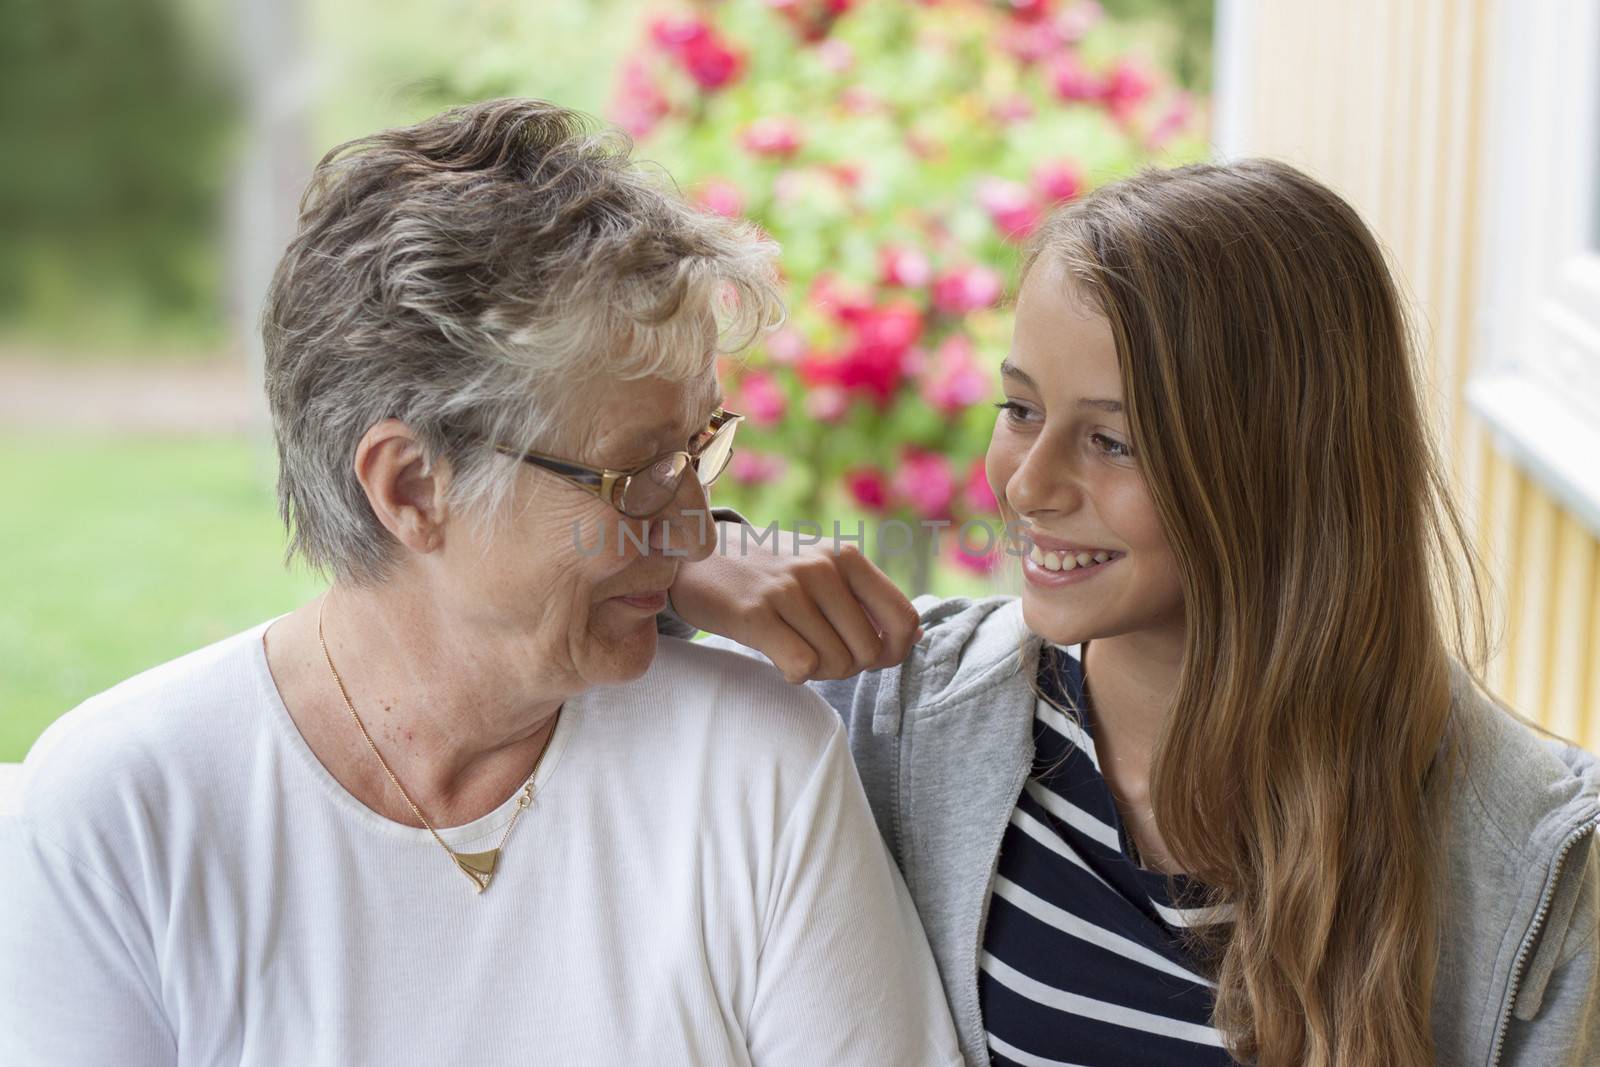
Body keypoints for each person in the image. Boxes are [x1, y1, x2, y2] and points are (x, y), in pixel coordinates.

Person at [0, 99, 963, 1066]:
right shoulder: (125, 807)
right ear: (413, 487)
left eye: (697, 446)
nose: (699, 531)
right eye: (636, 473)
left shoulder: (755, 770)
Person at [663, 159, 1600, 1066]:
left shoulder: (1541, 870)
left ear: (1282, 469)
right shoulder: (904, 712)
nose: (1028, 484)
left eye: (1111, 441)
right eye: (1020, 408)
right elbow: (550, 685)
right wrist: (681, 560)